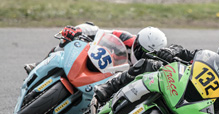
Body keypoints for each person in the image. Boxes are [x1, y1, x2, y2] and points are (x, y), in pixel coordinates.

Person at [24, 22, 167, 74]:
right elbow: (96, 30)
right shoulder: (126, 37)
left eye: (147, 54)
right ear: (137, 41)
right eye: (140, 48)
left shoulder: (149, 67)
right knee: (68, 40)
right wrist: (77, 30)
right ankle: (40, 65)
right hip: (94, 60)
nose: (141, 53)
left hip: (108, 84)